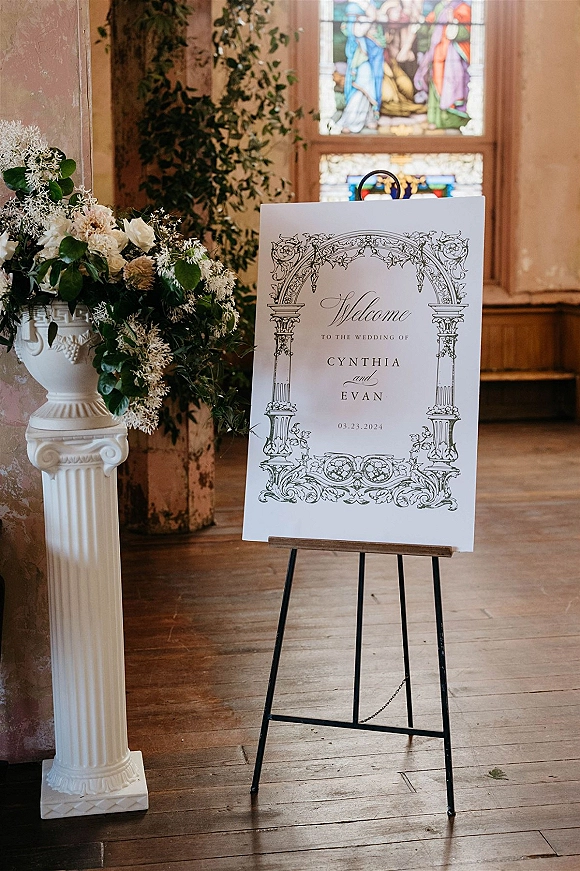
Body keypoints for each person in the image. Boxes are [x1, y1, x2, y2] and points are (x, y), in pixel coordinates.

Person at [413, 0, 471, 130]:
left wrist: (452, 22)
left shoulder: (463, 8)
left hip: (453, 57)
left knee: (452, 85)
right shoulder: (440, 7)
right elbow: (428, 26)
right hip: (437, 53)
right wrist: (417, 19)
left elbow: (466, 32)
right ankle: (434, 119)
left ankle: (449, 119)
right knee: (435, 83)